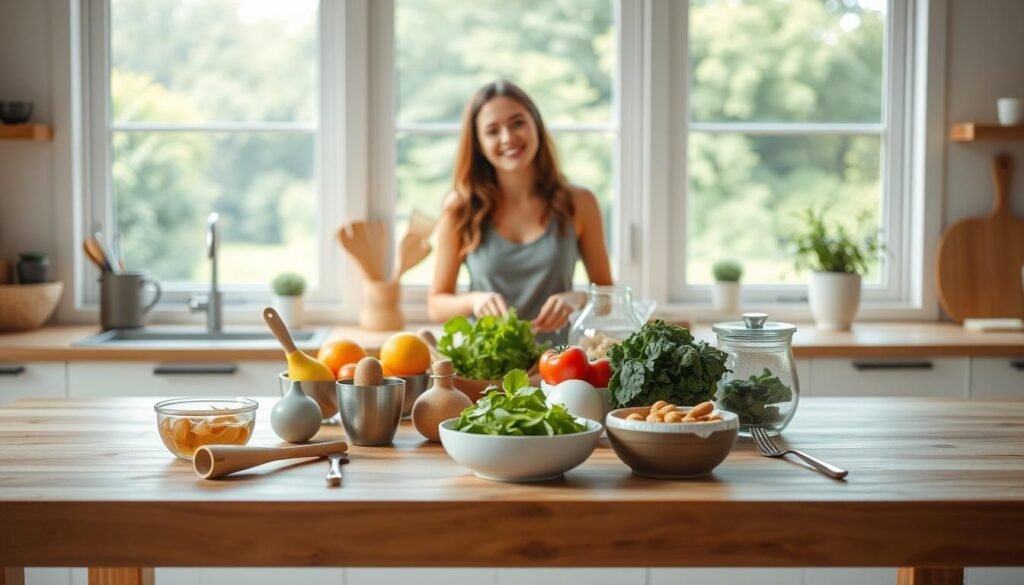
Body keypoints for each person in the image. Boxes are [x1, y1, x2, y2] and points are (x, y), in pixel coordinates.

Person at [428, 80, 613, 345]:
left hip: (557, 366)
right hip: (485, 366)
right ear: (479, 143)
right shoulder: (460, 208)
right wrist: (475, 300)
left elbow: (609, 299)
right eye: (492, 131)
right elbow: (436, 305)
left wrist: (578, 298)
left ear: (535, 125)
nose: (508, 138)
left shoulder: (580, 203)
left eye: (518, 123)